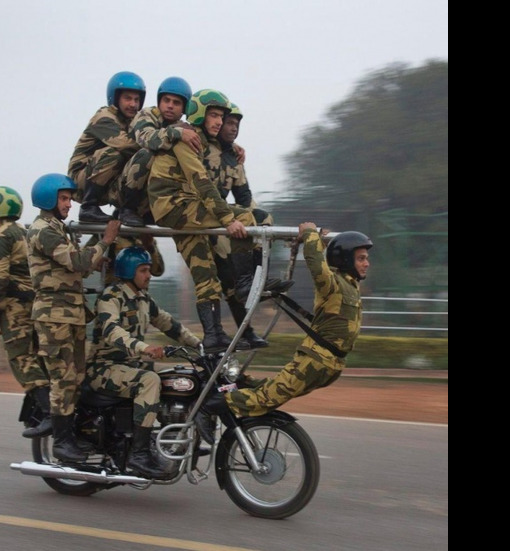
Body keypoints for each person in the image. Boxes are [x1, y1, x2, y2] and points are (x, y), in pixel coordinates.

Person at [146, 89, 291, 351]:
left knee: (209, 276)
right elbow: (200, 181)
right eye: (214, 115)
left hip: (192, 212)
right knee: (246, 220)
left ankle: (215, 336)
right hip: (175, 208)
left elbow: (239, 193)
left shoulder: (217, 147)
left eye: (222, 118)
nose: (220, 123)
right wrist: (227, 219)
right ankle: (250, 282)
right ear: (200, 113)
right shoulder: (187, 138)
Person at [206, 226, 373, 417]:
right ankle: (212, 405)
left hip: (331, 364)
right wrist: (310, 232)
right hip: (315, 360)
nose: (366, 263)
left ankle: (241, 386)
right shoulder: (331, 284)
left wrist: (322, 241)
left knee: (273, 393)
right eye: (361, 258)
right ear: (345, 259)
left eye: (366, 258)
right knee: (268, 398)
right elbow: (316, 262)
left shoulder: (351, 285)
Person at [27, 173, 121, 461]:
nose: (69, 205)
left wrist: (98, 254)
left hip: (71, 314)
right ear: (48, 200)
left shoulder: (58, 228)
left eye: (69, 198)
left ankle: (73, 436)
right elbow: (78, 262)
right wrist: (105, 240)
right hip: (55, 316)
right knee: (63, 379)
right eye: (64, 199)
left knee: (76, 376)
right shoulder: (44, 230)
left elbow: (76, 265)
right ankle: (61, 442)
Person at [87, 246, 203, 478]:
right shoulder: (111, 297)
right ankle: (139, 455)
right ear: (130, 272)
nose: (149, 275)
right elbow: (112, 330)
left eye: (148, 270)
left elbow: (170, 325)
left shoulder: (143, 300)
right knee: (149, 380)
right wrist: (144, 348)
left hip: (129, 367)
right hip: (103, 368)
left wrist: (200, 345)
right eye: (143, 270)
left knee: (175, 378)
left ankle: (160, 437)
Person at [207, 102, 290, 349]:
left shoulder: (234, 157)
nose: (231, 128)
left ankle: (257, 279)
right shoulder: (200, 147)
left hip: (226, 220)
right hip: (204, 217)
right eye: (227, 122)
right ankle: (241, 321)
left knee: (264, 219)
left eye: (235, 124)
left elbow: (244, 198)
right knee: (225, 282)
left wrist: (260, 226)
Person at [0, 185, 57, 437]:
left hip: (14, 309)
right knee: (39, 356)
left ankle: (50, 413)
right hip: (36, 304)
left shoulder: (1, 235)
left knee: (22, 359)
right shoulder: (25, 231)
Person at [116, 76, 199, 227]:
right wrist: (177, 133)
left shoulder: (183, 126)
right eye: (166, 100)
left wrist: (230, 147)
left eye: (176, 103)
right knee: (148, 154)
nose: (170, 106)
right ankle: (128, 209)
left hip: (155, 194)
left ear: (184, 108)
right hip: (126, 184)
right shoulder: (147, 115)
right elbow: (147, 138)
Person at [67, 71, 145, 223]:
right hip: (81, 180)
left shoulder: (132, 121)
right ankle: (88, 207)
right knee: (114, 153)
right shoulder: (104, 117)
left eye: (136, 100)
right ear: (116, 98)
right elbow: (126, 145)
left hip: (107, 179)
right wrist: (157, 143)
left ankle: (127, 210)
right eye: (127, 98)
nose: (133, 104)